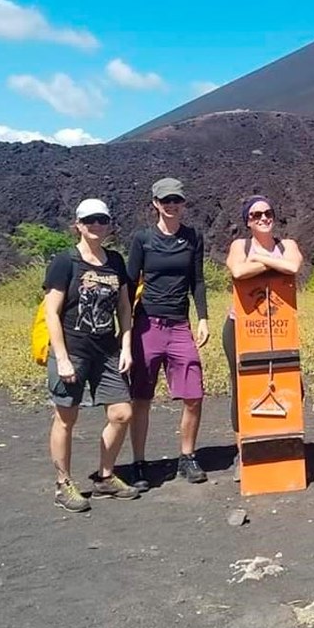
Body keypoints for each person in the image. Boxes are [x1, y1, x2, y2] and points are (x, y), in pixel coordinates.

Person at [41, 198, 140, 512]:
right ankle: (62, 484)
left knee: (122, 413)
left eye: (102, 220)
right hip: (73, 349)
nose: (96, 226)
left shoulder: (115, 261)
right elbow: (51, 313)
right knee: (66, 417)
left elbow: (125, 307)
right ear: (78, 225)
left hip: (106, 349)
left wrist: (125, 346)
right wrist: (63, 357)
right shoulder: (65, 261)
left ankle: (105, 477)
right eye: (90, 221)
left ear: (110, 224)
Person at [125, 177, 211, 489]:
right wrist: (125, 328)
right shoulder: (143, 239)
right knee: (141, 396)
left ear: (183, 203)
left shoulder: (192, 237)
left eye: (176, 200)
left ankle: (187, 457)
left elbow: (197, 281)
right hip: (147, 324)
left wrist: (202, 318)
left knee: (193, 394)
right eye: (165, 201)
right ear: (155, 204)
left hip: (179, 325)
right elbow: (131, 281)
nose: (171, 205)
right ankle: (138, 462)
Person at [222, 194, 303, 481]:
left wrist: (259, 258)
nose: (264, 218)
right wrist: (270, 262)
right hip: (240, 327)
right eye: (256, 215)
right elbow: (239, 271)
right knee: (243, 388)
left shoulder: (288, 245)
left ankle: (279, 446)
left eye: (268, 212)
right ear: (248, 221)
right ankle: (243, 452)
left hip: (280, 327)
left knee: (292, 385)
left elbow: (293, 267)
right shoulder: (239, 246)